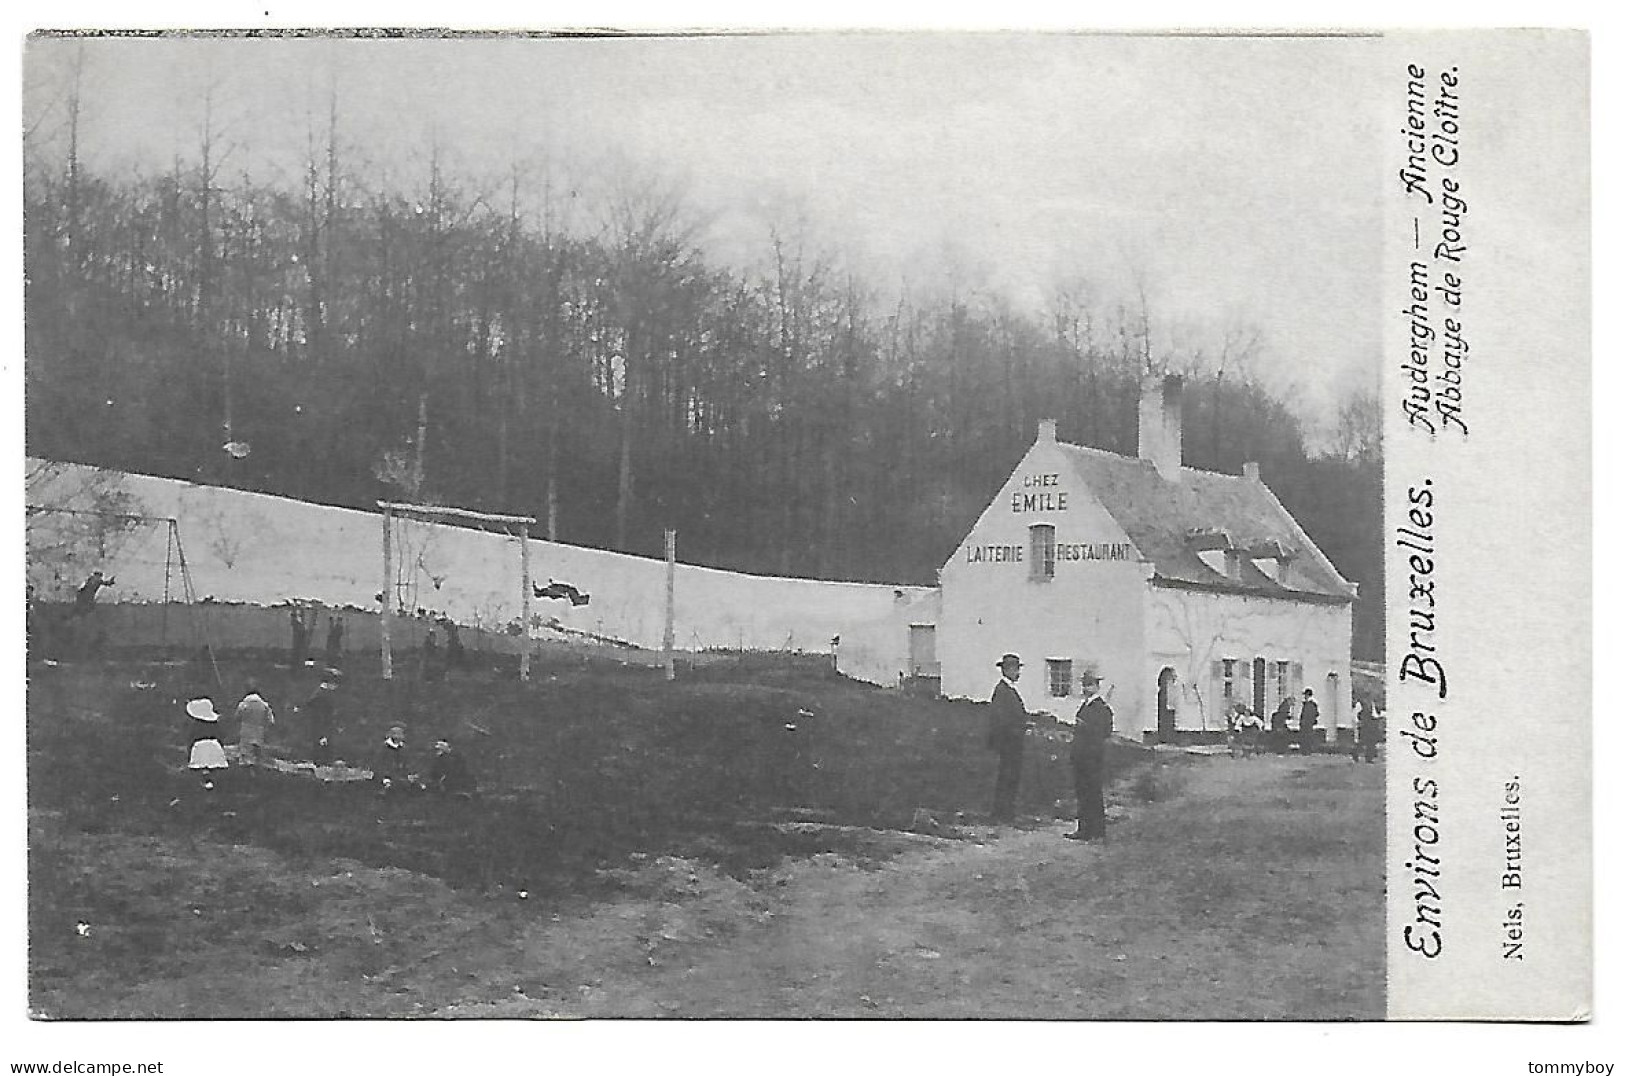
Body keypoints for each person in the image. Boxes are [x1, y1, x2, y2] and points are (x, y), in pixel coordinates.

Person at [1063, 671, 1113, 842]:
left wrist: (1086, 727)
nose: (1086, 688)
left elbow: (1105, 732)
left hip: (1092, 756)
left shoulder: (1101, 708)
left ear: (1097, 687)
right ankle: (1085, 828)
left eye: (1090, 684)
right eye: (1084, 685)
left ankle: (1096, 829)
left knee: (1092, 792)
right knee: (1083, 792)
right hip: (1081, 756)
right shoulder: (1085, 706)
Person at [985, 653, 1031, 823]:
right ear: (1007, 670)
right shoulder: (1002, 691)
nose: (1018, 673)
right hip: (1008, 743)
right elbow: (1000, 719)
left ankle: (1006, 812)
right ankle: (1002, 814)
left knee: (1011, 777)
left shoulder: (1009, 689)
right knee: (1007, 776)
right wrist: (1017, 729)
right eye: (1015, 669)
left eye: (1018, 668)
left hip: (1013, 741)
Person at [185, 698, 230, 790]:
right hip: (213, 745)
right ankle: (211, 780)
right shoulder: (215, 725)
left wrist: (190, 751)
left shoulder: (195, 726)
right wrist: (220, 747)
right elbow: (220, 736)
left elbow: (191, 738)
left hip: (200, 747)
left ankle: (205, 778)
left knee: (201, 764)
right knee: (213, 764)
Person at [233, 679, 276, 766]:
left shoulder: (243, 704)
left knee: (245, 757)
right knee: (258, 757)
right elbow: (271, 721)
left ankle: (246, 774)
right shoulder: (264, 705)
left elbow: (237, 717)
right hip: (259, 732)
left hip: (246, 732)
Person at [299, 680, 339, 763]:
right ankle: (318, 760)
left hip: (321, 721)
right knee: (319, 742)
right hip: (319, 721)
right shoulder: (322, 694)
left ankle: (320, 759)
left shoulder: (322, 693)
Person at [376, 724, 412, 791]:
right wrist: (385, 779)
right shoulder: (383, 748)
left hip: (402, 779)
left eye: (401, 734)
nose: (400, 736)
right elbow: (379, 765)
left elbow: (407, 764)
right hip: (386, 780)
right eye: (397, 734)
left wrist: (408, 775)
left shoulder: (404, 748)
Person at [1353, 699, 1381, 763]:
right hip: (1364, 726)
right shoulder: (1360, 704)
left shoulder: (1372, 703)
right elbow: (1356, 715)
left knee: (1371, 742)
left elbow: (1374, 714)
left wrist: (1377, 718)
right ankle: (1355, 753)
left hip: (1371, 726)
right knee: (1362, 742)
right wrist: (1358, 723)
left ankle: (1369, 758)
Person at [1298, 688, 1321, 753]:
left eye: (1305, 695)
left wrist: (1304, 722)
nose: (1304, 696)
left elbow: (1308, 714)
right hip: (1308, 724)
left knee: (1306, 737)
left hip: (1307, 724)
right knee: (1307, 737)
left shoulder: (1309, 704)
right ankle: (1306, 750)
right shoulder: (1311, 704)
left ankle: (1306, 750)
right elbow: (1316, 713)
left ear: (1307, 695)